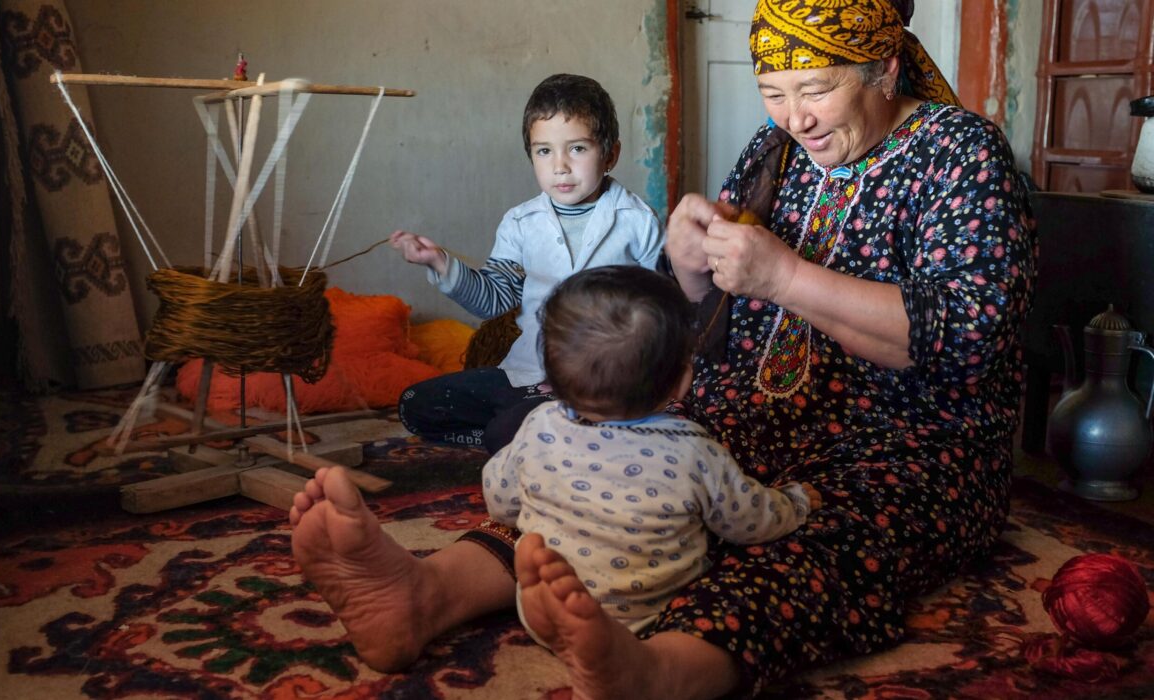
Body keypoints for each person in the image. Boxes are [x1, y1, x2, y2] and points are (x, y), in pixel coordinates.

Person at [290, 1, 1038, 696]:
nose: (794, 117)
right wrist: (685, 265)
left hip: (904, 442)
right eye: (773, 91)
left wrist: (786, 277)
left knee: (821, 539)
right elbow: (697, 313)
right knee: (600, 466)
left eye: (816, 89)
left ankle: (658, 671)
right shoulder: (774, 146)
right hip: (747, 412)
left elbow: (969, 339)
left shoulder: (960, 155)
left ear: (883, 69)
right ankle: (426, 594)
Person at [483, 265, 815, 639]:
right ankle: (620, 648)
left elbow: (500, 501)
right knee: (746, 572)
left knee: (531, 540)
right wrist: (794, 503)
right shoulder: (695, 451)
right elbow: (749, 522)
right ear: (681, 380)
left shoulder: (539, 425)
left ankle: (549, 616)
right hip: (652, 619)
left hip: (548, 603)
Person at [389, 73, 664, 455]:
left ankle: (532, 433)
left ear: (610, 154)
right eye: (544, 151)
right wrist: (440, 263)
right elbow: (493, 301)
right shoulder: (520, 222)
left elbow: (662, 311)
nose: (561, 166)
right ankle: (537, 434)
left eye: (578, 149)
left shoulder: (637, 221)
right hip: (527, 373)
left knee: (507, 429)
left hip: (604, 379)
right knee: (415, 404)